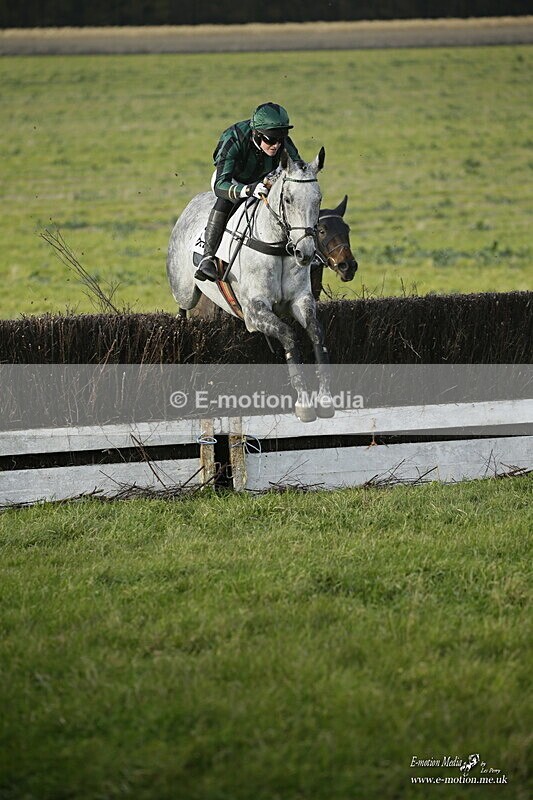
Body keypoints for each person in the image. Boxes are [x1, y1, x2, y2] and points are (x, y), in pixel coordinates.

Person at [194, 102, 303, 282]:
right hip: (233, 181)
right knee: (225, 202)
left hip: (265, 179)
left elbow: (298, 169)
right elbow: (221, 184)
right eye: (270, 139)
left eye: (280, 139)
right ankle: (208, 258)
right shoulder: (233, 138)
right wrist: (247, 190)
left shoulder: (281, 142)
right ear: (256, 133)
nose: (276, 145)